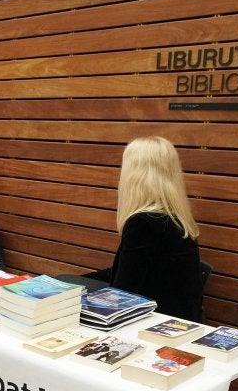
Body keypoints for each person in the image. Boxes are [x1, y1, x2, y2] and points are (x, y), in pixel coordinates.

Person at [83, 136, 204, 321]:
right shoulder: (175, 220)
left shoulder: (143, 223)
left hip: (153, 327)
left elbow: (122, 292)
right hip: (180, 322)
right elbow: (131, 268)